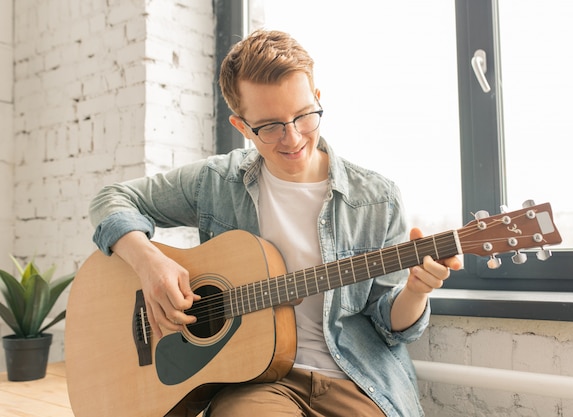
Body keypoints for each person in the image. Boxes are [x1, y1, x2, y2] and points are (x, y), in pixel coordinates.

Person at [89, 29, 461, 417]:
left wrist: (417, 290)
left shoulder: (376, 198)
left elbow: (390, 326)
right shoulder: (217, 182)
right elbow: (110, 199)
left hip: (355, 379)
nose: (293, 137)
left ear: (317, 99)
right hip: (257, 383)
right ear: (241, 126)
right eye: (269, 126)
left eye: (303, 116)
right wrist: (150, 264)